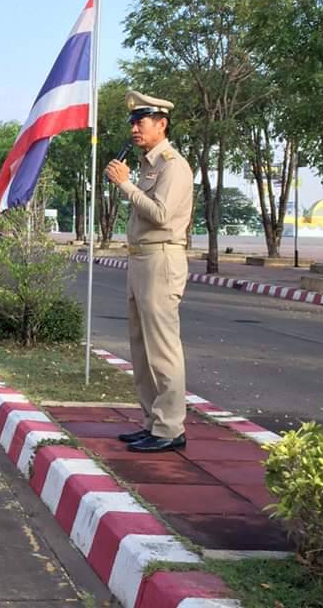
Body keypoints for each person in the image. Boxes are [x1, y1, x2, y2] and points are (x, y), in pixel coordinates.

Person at [105, 90, 194, 454]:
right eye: (133, 122)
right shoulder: (148, 165)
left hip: (162, 259)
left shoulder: (173, 166)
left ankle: (170, 426)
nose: (134, 129)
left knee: (162, 349)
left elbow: (161, 215)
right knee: (141, 349)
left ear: (162, 124)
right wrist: (129, 182)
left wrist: (125, 185)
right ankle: (153, 422)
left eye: (141, 122)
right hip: (141, 259)